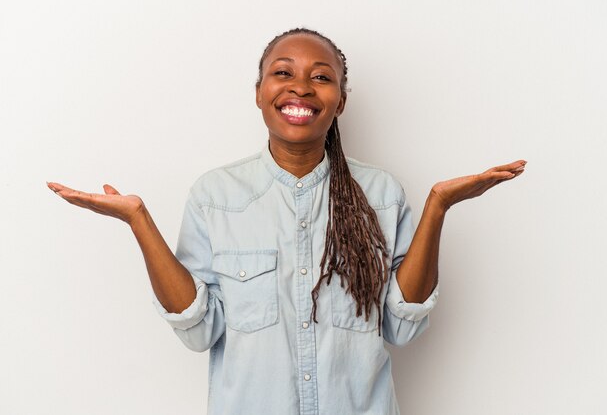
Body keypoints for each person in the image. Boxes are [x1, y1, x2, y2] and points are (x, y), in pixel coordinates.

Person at [47, 28, 525, 415]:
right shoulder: (215, 196)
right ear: (259, 93)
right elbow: (199, 332)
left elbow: (401, 328)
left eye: (321, 77)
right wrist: (139, 222)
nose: (301, 87)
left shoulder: (381, 195)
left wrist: (437, 207)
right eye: (283, 73)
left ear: (341, 100)